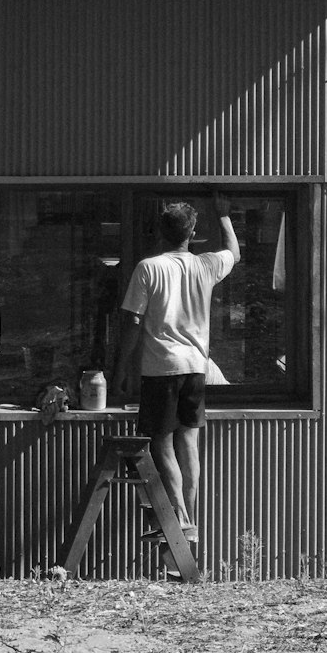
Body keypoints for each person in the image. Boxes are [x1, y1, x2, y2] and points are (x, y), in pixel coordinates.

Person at [111, 195, 240, 560]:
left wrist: (121, 370)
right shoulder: (206, 265)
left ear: (160, 232)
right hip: (196, 369)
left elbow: (133, 322)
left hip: (161, 370)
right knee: (189, 445)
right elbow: (234, 251)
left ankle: (181, 521)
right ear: (193, 233)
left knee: (162, 445)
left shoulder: (148, 268)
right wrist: (225, 214)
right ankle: (190, 523)